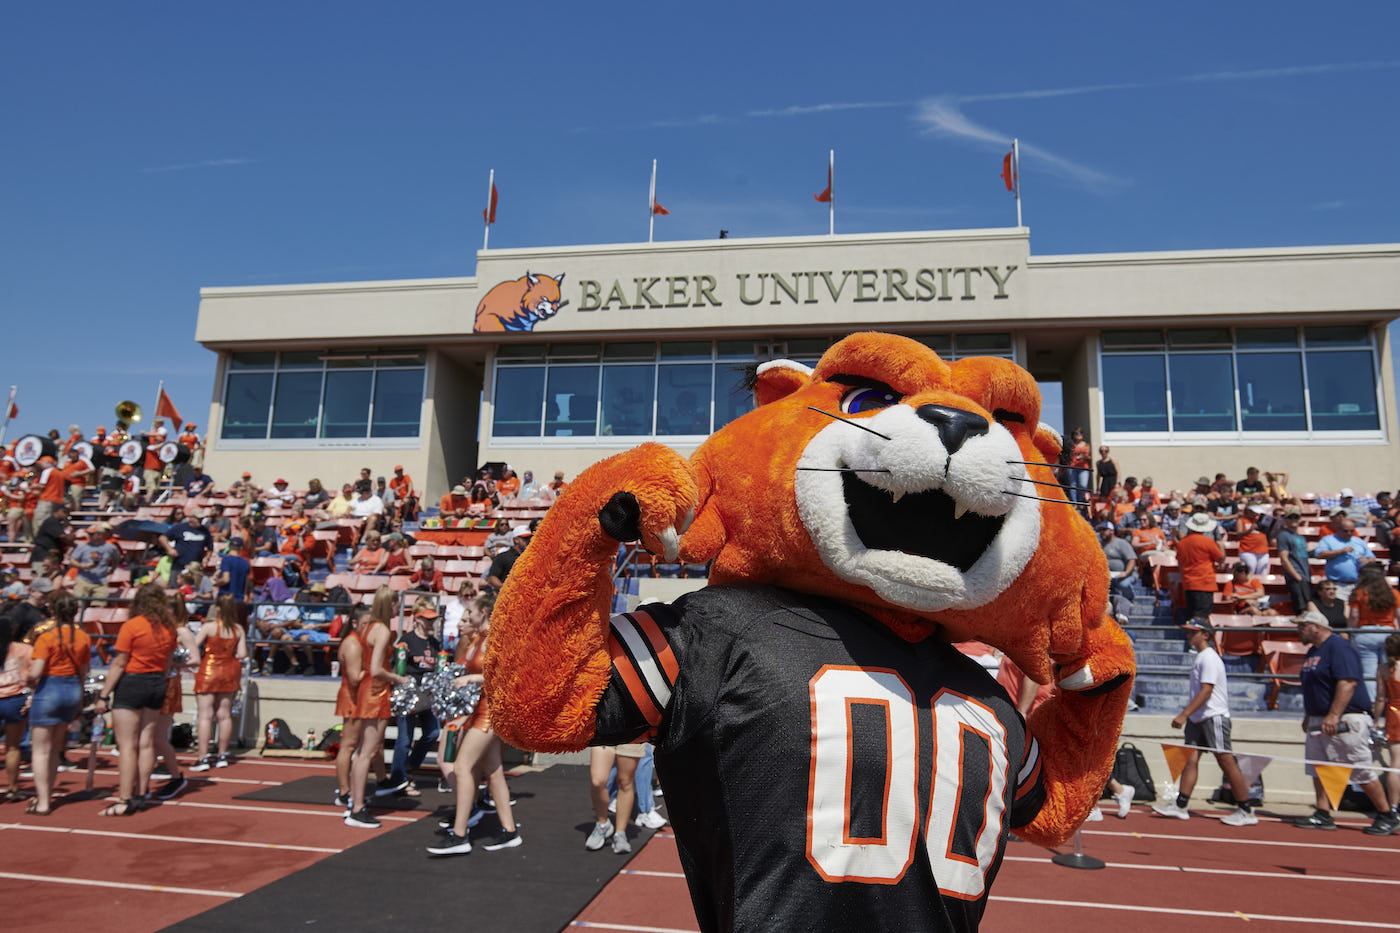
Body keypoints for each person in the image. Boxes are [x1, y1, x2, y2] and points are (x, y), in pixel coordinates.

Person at [427, 592, 522, 855]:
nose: (466, 615)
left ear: (484, 612)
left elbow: (503, 676)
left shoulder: (495, 637)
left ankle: (460, 834)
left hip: (490, 712)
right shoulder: (480, 638)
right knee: (493, 771)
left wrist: (471, 680)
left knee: (462, 767)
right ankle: (509, 831)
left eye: (472, 612)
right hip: (479, 708)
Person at [1292, 609, 1399, 835]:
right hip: (1319, 718)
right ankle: (1322, 811)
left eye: (1302, 626)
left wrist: (1333, 714)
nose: (1299, 630)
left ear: (1316, 626)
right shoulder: (1314, 651)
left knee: (1359, 768)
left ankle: (1386, 813)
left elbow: (1347, 683)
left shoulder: (1339, 648)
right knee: (1319, 768)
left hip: (1345, 718)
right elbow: (1314, 688)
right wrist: (1309, 715)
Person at [1150, 619, 1257, 826]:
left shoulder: (1209, 658)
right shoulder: (1201, 657)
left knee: (1226, 760)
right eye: (1188, 633)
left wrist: (1184, 714)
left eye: (1193, 633)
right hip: (1198, 717)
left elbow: (1206, 691)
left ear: (1205, 635)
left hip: (1212, 716)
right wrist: (1190, 715)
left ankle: (1246, 809)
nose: (1189, 636)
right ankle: (1181, 805)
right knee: (1190, 759)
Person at [93, 583, 178, 816]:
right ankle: (141, 793)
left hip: (133, 682)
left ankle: (125, 798)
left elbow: (119, 663)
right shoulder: (169, 628)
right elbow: (168, 662)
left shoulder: (132, 626)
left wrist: (103, 695)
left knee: (127, 744)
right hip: (157, 682)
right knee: (147, 741)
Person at [345, 587, 411, 828]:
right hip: (376, 691)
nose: (398, 609)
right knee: (367, 752)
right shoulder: (381, 630)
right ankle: (357, 807)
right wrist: (398, 678)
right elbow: (376, 669)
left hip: (369, 691)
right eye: (396, 605)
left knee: (364, 750)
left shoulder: (368, 628)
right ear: (390, 604)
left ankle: (355, 802)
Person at [385, 598, 443, 796]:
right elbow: (398, 668)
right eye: (427, 619)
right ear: (417, 619)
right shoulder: (406, 640)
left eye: (433, 619)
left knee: (433, 733)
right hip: (409, 694)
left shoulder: (435, 643)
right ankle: (398, 779)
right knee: (404, 739)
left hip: (427, 695)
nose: (430, 623)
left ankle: (409, 767)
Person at [334, 605, 387, 809]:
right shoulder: (353, 643)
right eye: (365, 624)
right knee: (349, 745)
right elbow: (355, 677)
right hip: (353, 697)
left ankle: (357, 788)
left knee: (364, 745)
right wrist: (379, 672)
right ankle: (345, 791)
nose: (369, 628)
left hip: (359, 697)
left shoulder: (358, 641)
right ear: (355, 623)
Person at [148, 597, 197, 802]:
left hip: (168, 684)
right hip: (151, 681)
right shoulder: (157, 628)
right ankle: (144, 778)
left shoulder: (182, 631)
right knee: (146, 735)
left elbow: (195, 659)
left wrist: (172, 663)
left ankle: (176, 776)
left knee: (157, 736)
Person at [190, 594, 247, 771]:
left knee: (205, 715)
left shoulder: (209, 627)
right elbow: (242, 654)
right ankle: (222, 755)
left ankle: (203, 757)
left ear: (218, 609)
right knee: (224, 714)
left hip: (209, 669)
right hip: (229, 670)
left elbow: (194, 646)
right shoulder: (238, 629)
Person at [1348, 564, 1399, 683]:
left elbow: (1354, 616)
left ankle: (1371, 700)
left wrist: (1351, 633)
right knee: (1391, 670)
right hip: (1388, 633)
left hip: (1365, 633)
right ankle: (1390, 699)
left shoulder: (1359, 593)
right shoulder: (1394, 593)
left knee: (1368, 673)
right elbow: (1399, 615)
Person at [0, 614, 31, 801]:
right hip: (14, 699)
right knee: (12, 747)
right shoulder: (24, 649)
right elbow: (36, 672)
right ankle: (12, 788)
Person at [1315, 517, 1376, 602]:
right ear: (1338, 529)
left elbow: (1372, 558)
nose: (1349, 533)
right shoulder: (1328, 540)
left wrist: (1368, 561)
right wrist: (1340, 551)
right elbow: (1319, 554)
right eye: (1345, 531)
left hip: (1358, 584)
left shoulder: (1359, 541)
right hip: (1338, 585)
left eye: (1352, 531)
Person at [1177, 512, 1224, 622]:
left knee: (1192, 615)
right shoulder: (1208, 541)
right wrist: (1221, 546)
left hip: (1188, 583)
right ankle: (1195, 638)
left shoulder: (1182, 543)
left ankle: (1191, 636)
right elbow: (1220, 559)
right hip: (1204, 584)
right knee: (1201, 618)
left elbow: (1179, 564)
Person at [1372, 633, 1400, 817]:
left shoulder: (1382, 668)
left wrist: (1376, 721)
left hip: (1393, 714)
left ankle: (1393, 806)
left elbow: (1380, 698)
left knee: (1395, 763)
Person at [158, 509, 213, 586]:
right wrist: (170, 549)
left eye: (201, 519)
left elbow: (210, 547)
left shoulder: (204, 530)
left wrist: (207, 558)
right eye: (198, 519)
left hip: (195, 567)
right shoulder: (180, 528)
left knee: (194, 588)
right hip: (179, 565)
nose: (200, 521)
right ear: (191, 518)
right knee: (175, 588)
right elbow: (162, 538)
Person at [70, 523, 120, 606]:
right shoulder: (82, 546)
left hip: (101, 581)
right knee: (78, 605)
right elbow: (72, 561)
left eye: (92, 534)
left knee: (99, 606)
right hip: (83, 580)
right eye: (89, 534)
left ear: (100, 535)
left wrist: (112, 569)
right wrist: (83, 566)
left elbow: (117, 558)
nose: (89, 536)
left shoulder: (110, 547)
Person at [1098, 523, 1137, 625]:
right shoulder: (1099, 545)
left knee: (1123, 585)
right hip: (1106, 576)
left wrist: (1125, 573)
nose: (1102, 532)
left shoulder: (1121, 543)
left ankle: (1129, 599)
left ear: (1112, 531)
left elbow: (1132, 560)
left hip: (1125, 574)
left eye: (1104, 529)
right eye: (1100, 530)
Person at [1276, 510, 1313, 615]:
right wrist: (1296, 576)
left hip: (1305, 576)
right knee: (1302, 610)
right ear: (1285, 519)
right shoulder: (1283, 535)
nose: (1293, 520)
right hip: (1297, 576)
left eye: (1296, 517)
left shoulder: (1302, 537)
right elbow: (1284, 559)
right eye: (1290, 517)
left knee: (1309, 608)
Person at [29, 503, 70, 575]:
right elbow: (63, 536)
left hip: (49, 556)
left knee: (48, 580)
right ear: (59, 511)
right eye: (65, 512)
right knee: (40, 578)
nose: (67, 514)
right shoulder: (52, 521)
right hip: (42, 554)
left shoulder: (57, 522)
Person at [216, 537, 251, 601]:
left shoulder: (226, 559)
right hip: (239, 599)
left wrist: (215, 583)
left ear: (229, 547)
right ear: (241, 548)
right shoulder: (245, 562)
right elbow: (247, 583)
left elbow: (226, 579)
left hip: (225, 599)